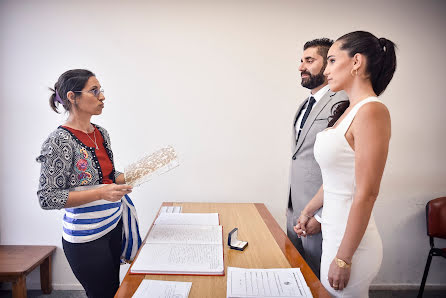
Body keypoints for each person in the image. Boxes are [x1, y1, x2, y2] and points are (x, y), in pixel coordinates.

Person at [295, 31, 397, 297]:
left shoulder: (372, 111)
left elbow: (367, 193)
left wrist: (343, 258)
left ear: (356, 62)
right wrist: (307, 211)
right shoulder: (348, 111)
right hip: (333, 233)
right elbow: (335, 180)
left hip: (351, 245)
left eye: (331, 60)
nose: (326, 70)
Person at [36, 69, 138, 298]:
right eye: (95, 91)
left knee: (115, 290)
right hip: (85, 238)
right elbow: (47, 197)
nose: (102, 96)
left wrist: (138, 172)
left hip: (112, 225)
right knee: (102, 293)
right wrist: (101, 194)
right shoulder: (58, 141)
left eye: (101, 90)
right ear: (72, 97)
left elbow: (106, 178)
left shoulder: (101, 133)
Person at [287, 38, 348, 278]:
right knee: (298, 277)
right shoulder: (305, 104)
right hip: (295, 210)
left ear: (328, 64)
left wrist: (320, 216)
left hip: (321, 215)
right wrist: (292, 206)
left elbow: (344, 169)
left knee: (321, 283)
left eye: (309, 60)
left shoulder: (342, 102)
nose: (301, 67)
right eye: (301, 61)